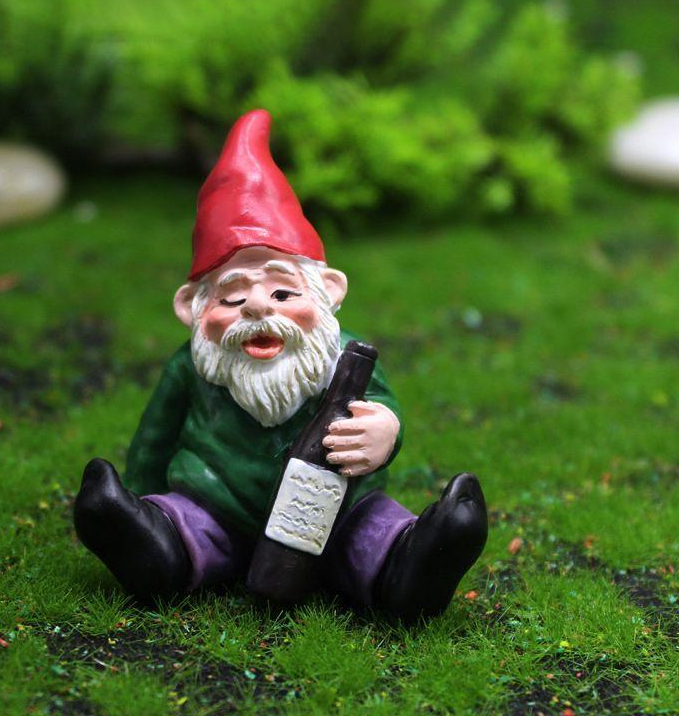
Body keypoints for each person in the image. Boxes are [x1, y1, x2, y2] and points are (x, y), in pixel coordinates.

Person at [74, 109, 488, 621]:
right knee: (182, 530)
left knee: (370, 534)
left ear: (329, 292)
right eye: (232, 298)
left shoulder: (346, 360)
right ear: (190, 309)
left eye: (282, 293)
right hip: (214, 505)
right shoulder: (192, 367)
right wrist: (141, 495)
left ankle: (416, 564)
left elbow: (382, 405)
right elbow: (155, 435)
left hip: (337, 509)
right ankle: (146, 542)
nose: (256, 307)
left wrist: (383, 431)